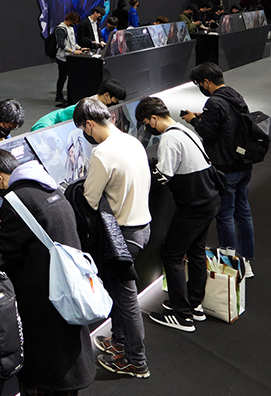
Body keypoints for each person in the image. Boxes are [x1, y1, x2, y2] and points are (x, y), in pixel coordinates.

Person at [0, 148, 94, 394]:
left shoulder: (16, 200)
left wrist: (3, 227)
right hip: (71, 281)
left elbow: (8, 247)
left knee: (43, 365)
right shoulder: (48, 185)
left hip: (44, 292)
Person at [80, 98, 153, 379]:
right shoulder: (131, 141)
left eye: (83, 129)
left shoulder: (102, 153)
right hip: (142, 228)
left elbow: (90, 200)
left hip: (122, 236)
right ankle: (120, 342)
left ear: (89, 124)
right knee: (121, 293)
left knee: (126, 298)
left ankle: (137, 361)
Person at [141, 106, 221, 333]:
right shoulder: (186, 131)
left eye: (146, 123)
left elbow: (163, 176)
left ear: (153, 118)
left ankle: (181, 315)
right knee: (196, 251)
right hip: (209, 201)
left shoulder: (169, 138)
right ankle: (194, 304)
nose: (147, 128)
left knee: (171, 254)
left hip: (193, 206)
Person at [181, 63, 256, 277]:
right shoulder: (235, 95)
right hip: (243, 162)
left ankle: (230, 263)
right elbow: (228, 123)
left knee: (225, 214)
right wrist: (204, 117)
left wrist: (194, 120)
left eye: (199, 83)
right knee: (243, 211)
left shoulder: (213, 102)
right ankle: (246, 260)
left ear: (206, 82)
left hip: (225, 166)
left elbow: (209, 133)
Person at [31, 79, 126, 131]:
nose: (116, 102)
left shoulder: (97, 103)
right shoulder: (88, 107)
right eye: (115, 100)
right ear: (106, 95)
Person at [53, 11, 80, 104]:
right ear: (69, 19)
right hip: (62, 58)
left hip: (70, 57)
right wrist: (73, 51)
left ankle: (70, 95)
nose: (74, 24)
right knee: (62, 77)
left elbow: (72, 42)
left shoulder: (70, 28)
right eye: (73, 21)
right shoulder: (60, 29)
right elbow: (61, 45)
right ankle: (59, 96)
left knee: (69, 77)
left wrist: (79, 47)